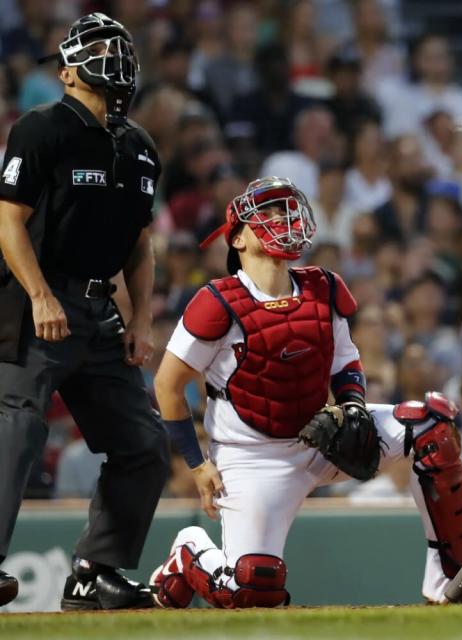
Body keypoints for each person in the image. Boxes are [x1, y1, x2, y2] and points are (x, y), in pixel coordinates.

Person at [149, 176, 462, 608]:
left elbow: (344, 360)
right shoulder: (216, 301)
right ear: (239, 238)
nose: (281, 219)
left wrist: (354, 408)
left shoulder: (323, 285)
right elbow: (167, 385)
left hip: (324, 435)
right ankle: (187, 551)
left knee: (432, 423)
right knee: (253, 587)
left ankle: (455, 575)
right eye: (267, 213)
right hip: (253, 456)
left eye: (285, 208)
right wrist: (196, 465)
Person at [0, 14, 166, 610]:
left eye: (117, 45)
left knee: (143, 442)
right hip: (34, 299)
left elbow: (140, 243)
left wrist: (142, 319)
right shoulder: (41, 129)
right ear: (68, 72)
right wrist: (41, 295)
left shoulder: (141, 148)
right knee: (15, 426)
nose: (112, 55)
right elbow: (8, 219)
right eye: (96, 49)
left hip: (99, 310)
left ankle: (95, 573)